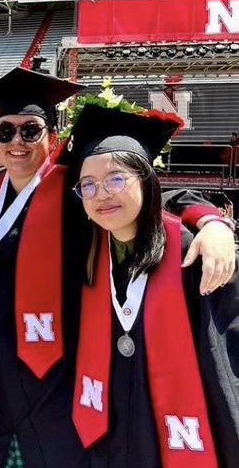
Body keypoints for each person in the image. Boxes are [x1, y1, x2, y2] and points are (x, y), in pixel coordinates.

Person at [0, 67, 237, 468]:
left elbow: (149, 197)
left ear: (51, 135)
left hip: (60, 386)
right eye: (5, 132)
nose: (17, 142)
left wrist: (211, 220)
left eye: (30, 130)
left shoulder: (74, 192)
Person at [59, 104, 239, 468]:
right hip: (109, 433)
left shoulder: (191, 251)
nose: (101, 194)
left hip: (175, 432)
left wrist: (215, 224)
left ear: (146, 178)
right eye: (88, 185)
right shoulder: (91, 249)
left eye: (116, 179)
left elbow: (224, 362)